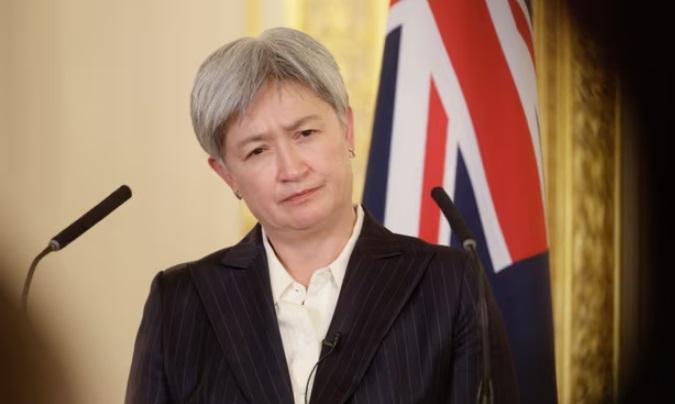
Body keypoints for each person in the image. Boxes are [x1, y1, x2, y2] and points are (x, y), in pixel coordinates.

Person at [125, 27, 519, 404]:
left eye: (305, 134)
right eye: (257, 151)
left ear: (347, 130)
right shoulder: (179, 303)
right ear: (227, 174)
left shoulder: (450, 284)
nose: (291, 169)